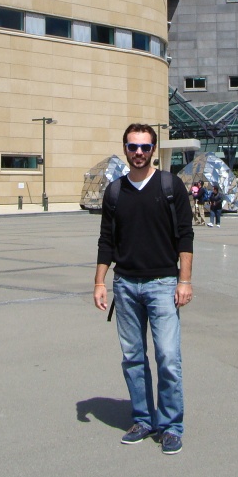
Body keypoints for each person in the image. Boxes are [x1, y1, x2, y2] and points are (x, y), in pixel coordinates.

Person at [94, 123, 194, 455]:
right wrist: (99, 282)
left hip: (163, 284)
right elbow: (106, 240)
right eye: (133, 146)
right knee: (133, 358)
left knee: (168, 357)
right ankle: (142, 419)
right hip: (125, 285)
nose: (139, 152)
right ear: (125, 148)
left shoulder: (170, 185)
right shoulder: (115, 191)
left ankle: (171, 425)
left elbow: (185, 236)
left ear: (153, 150)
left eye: (145, 147)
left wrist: (184, 281)